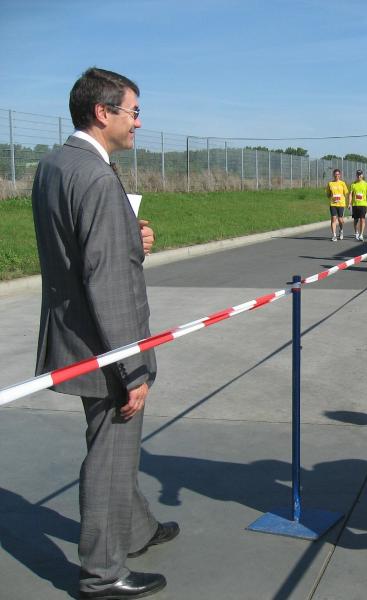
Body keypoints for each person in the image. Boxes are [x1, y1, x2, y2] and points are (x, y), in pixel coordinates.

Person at [31, 67, 178, 600]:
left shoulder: (56, 165)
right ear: (102, 112)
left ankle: (135, 529)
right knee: (110, 453)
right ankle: (102, 572)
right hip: (104, 344)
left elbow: (79, 246)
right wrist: (131, 367)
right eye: (133, 112)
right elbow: (107, 279)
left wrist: (129, 236)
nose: (138, 122)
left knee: (115, 445)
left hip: (74, 333)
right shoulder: (94, 175)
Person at [326, 168, 348, 241]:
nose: (336, 176)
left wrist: (346, 202)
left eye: (338, 174)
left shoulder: (342, 183)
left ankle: (341, 230)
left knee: (340, 220)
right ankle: (334, 235)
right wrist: (332, 197)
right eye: (335, 174)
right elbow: (328, 194)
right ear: (333, 175)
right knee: (333, 219)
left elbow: (346, 193)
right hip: (333, 204)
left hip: (341, 204)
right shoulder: (330, 183)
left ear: (340, 175)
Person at [349, 169, 367, 241]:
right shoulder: (353, 184)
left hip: (363, 204)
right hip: (355, 205)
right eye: (358, 175)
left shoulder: (366, 184)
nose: (359, 176)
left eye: (360, 175)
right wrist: (349, 203)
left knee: (362, 219)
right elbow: (350, 194)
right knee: (356, 220)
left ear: (362, 175)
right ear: (356, 175)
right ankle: (356, 233)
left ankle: (361, 234)